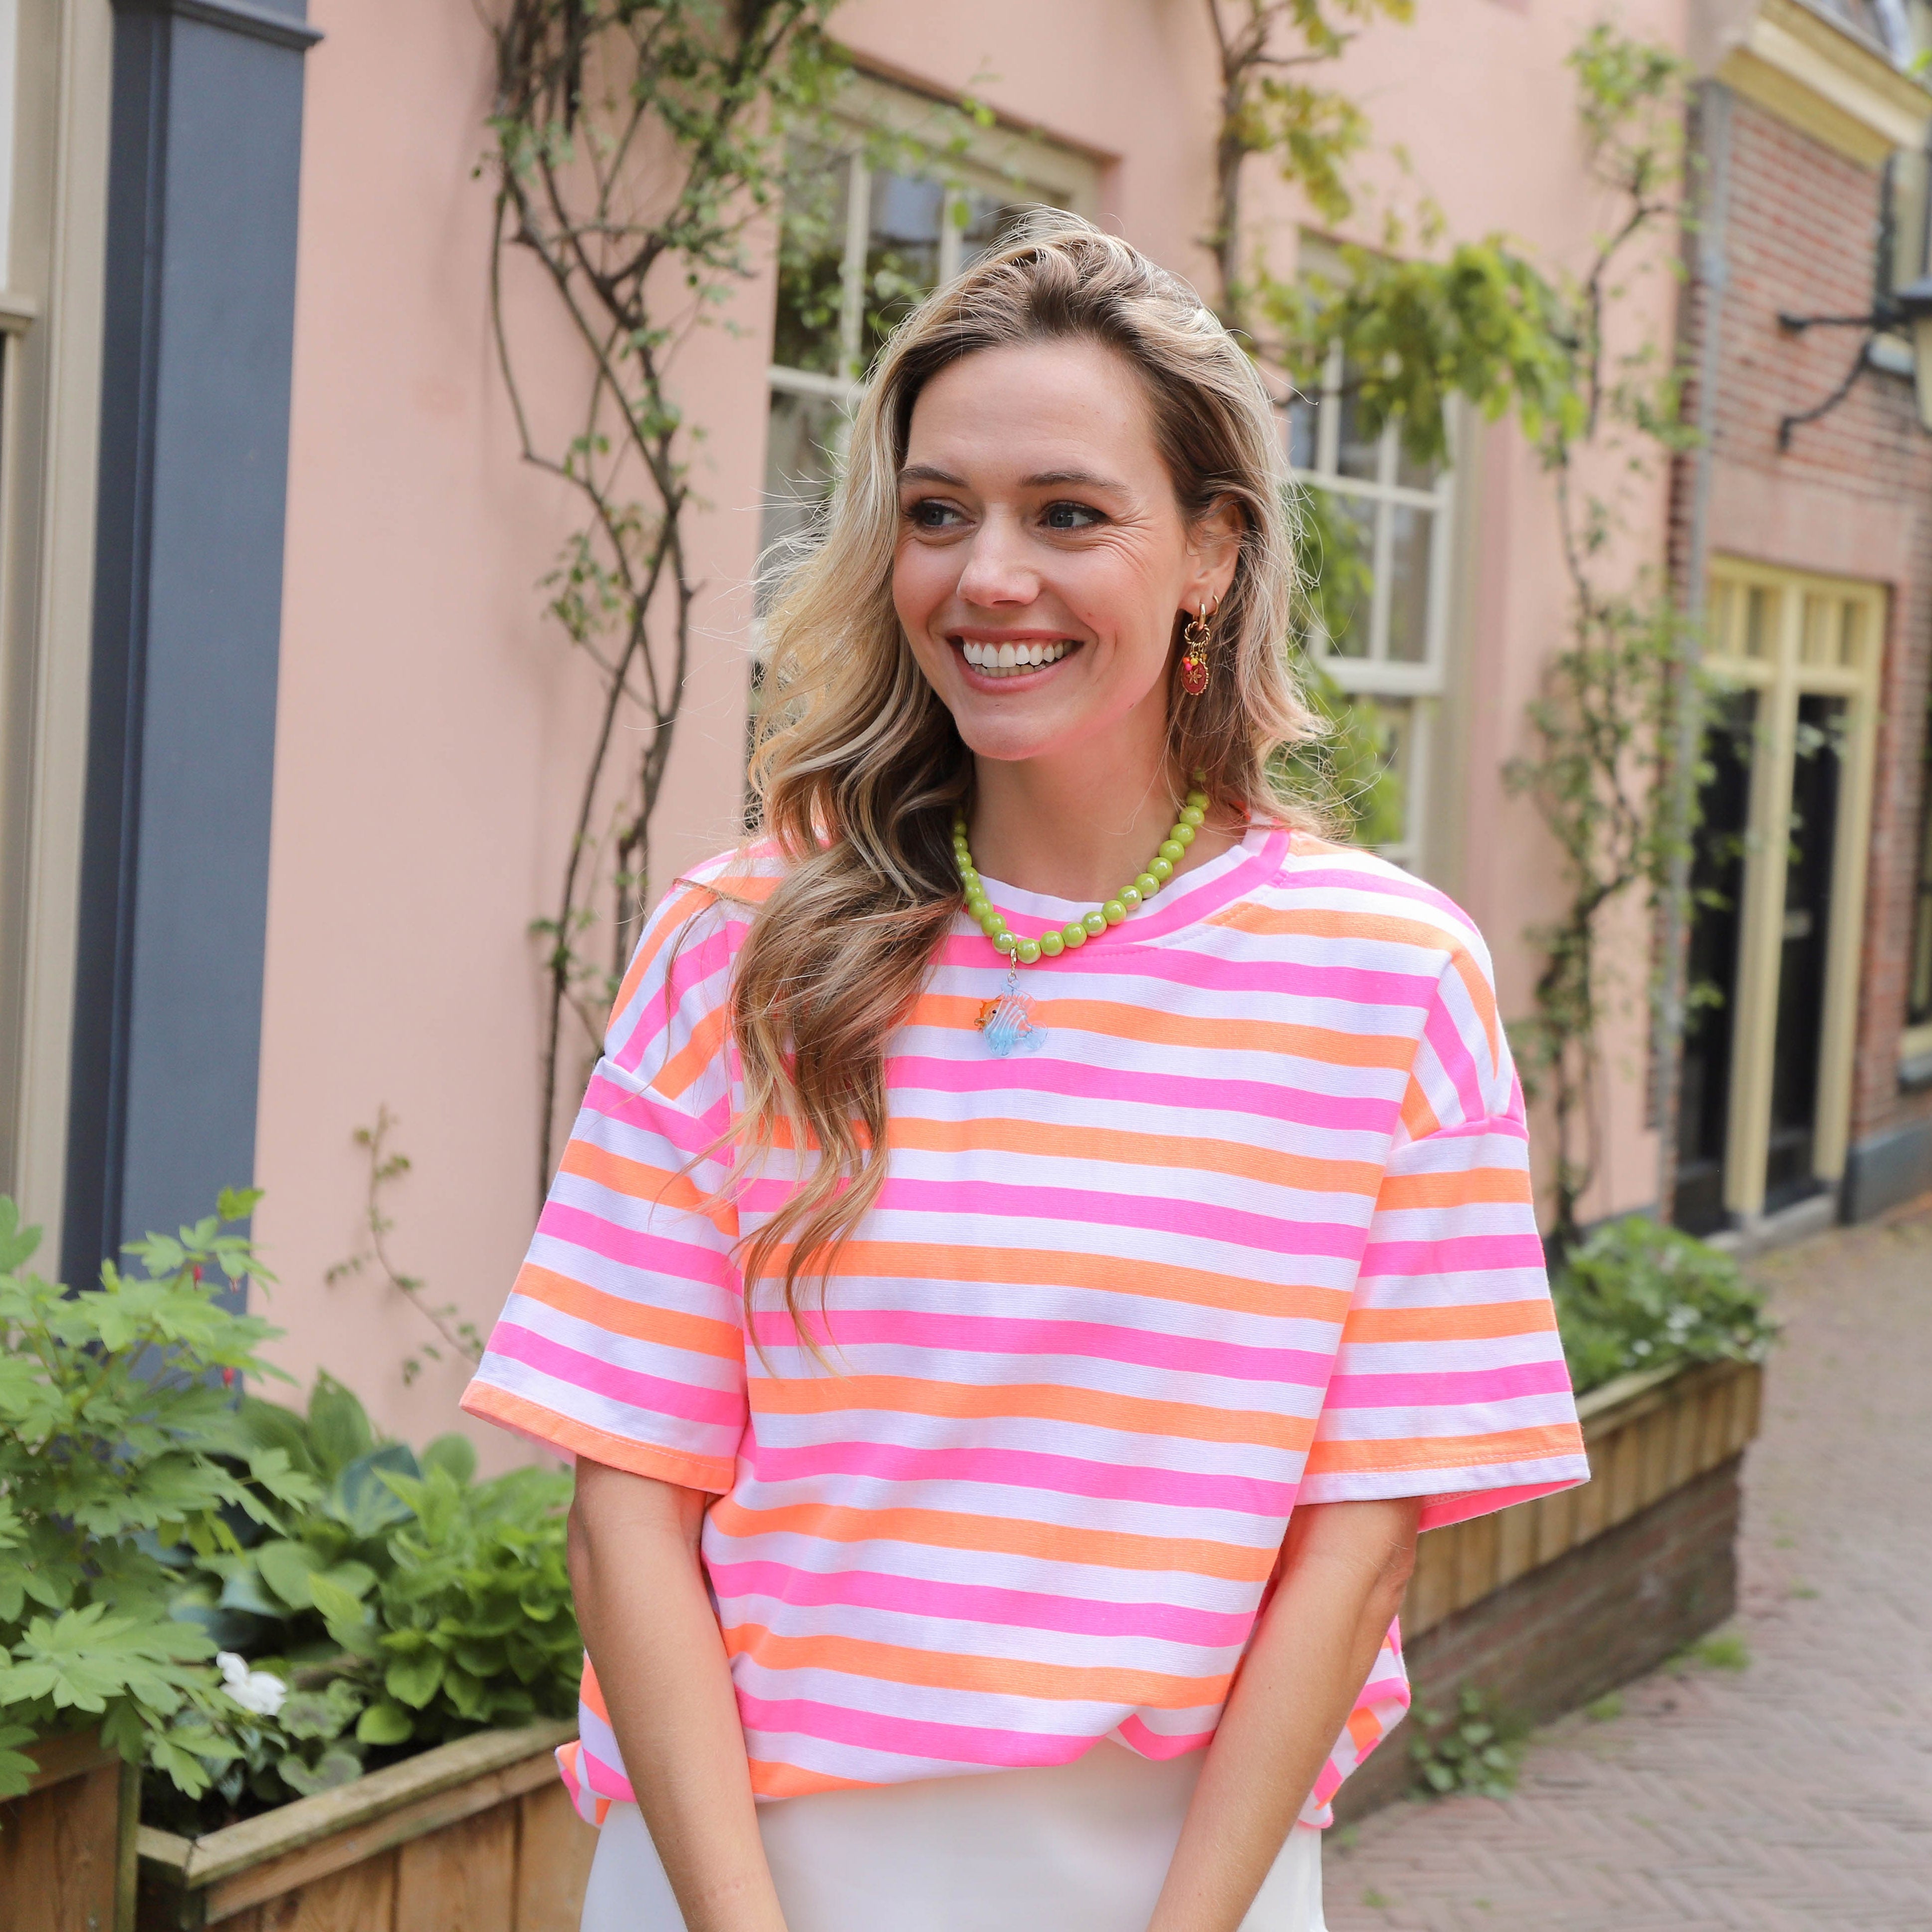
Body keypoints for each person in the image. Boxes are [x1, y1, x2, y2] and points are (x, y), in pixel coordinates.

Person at [461, 211, 1588, 1932]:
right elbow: (626, 1502)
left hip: (1177, 1878)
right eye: (937, 513)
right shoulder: (734, 944)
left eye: (1067, 513)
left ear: (1209, 549)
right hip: (739, 1874)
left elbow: (1357, 1539)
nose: (987, 576)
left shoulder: (1393, 982)